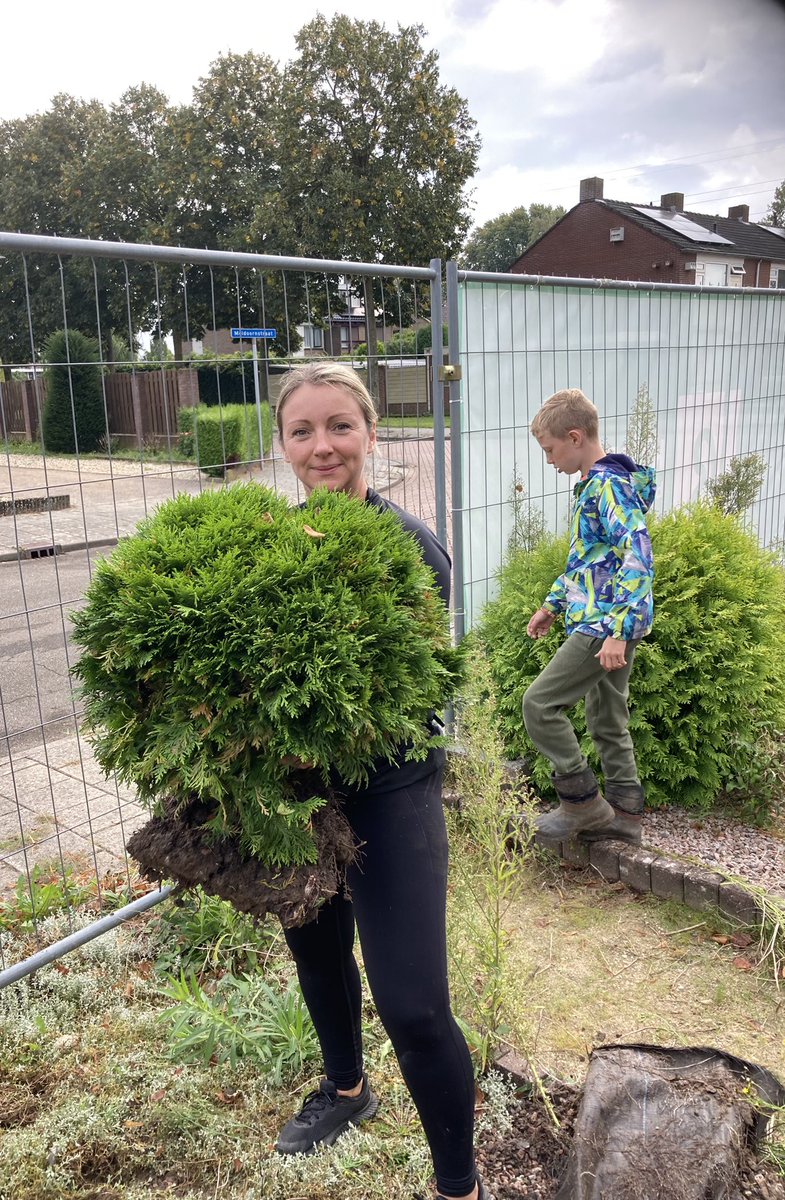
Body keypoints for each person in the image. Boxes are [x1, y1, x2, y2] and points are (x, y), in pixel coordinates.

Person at [272, 362, 491, 1200]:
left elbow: (421, 694)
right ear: (284, 444)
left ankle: (458, 1185)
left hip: (389, 790)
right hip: (297, 796)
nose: (321, 446)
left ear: (369, 434)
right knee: (316, 949)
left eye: (338, 426)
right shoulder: (268, 543)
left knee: (413, 1005)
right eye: (302, 430)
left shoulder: (411, 548)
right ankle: (346, 1093)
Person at [523, 388, 655, 844]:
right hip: (606, 619)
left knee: (539, 705)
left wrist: (618, 630)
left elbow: (637, 552)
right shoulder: (600, 484)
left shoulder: (606, 485)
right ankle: (625, 816)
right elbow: (590, 560)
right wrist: (551, 605)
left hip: (604, 625)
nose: (549, 461)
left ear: (575, 437)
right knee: (606, 718)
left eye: (550, 450)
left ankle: (582, 807)